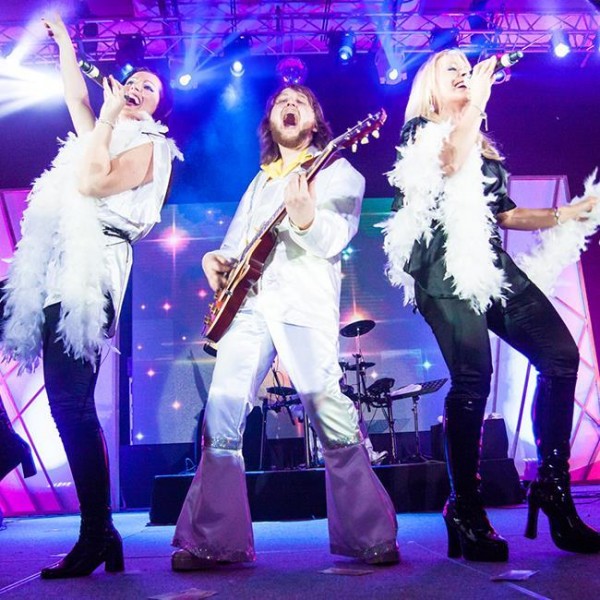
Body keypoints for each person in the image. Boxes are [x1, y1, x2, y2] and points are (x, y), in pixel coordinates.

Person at [383, 48, 600, 562]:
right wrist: (476, 101)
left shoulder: (481, 147)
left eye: (468, 69)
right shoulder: (421, 133)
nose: (464, 74)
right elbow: (448, 163)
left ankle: (552, 487)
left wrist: (569, 212)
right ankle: (465, 505)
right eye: (452, 71)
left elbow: (505, 214)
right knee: (474, 377)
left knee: (560, 356)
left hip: (489, 263)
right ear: (431, 88)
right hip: (440, 266)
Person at [171, 84, 399, 570]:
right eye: (281, 102)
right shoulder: (260, 182)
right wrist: (216, 260)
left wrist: (307, 218)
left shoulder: (338, 171)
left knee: (327, 410)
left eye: (301, 101)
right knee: (221, 414)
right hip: (248, 308)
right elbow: (235, 245)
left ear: (315, 122)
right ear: (270, 122)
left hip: (303, 305)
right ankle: (212, 541)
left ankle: (370, 535)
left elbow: (332, 239)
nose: (289, 105)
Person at [1, 14, 181, 578]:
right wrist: (65, 40)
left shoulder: (152, 144)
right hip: (53, 264)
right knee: (67, 403)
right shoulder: (101, 132)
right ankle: (20, 457)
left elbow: (93, 181)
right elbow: (76, 95)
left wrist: (106, 118)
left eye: (150, 88)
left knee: (70, 403)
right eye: (135, 80)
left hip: (93, 271)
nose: (138, 87)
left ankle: (97, 532)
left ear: (156, 108)